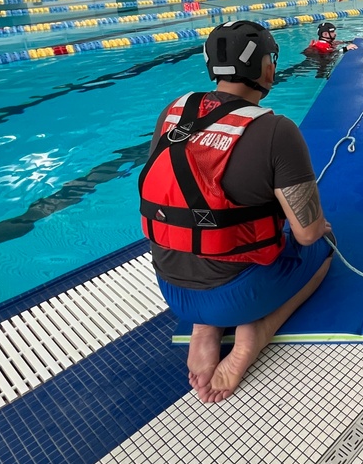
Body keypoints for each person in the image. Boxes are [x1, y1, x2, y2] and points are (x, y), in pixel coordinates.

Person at [139, 20, 334, 403]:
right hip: (238, 297)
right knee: (325, 245)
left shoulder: (173, 112)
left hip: (171, 289)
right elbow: (307, 234)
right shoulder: (277, 130)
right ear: (266, 68)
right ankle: (256, 335)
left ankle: (204, 330)